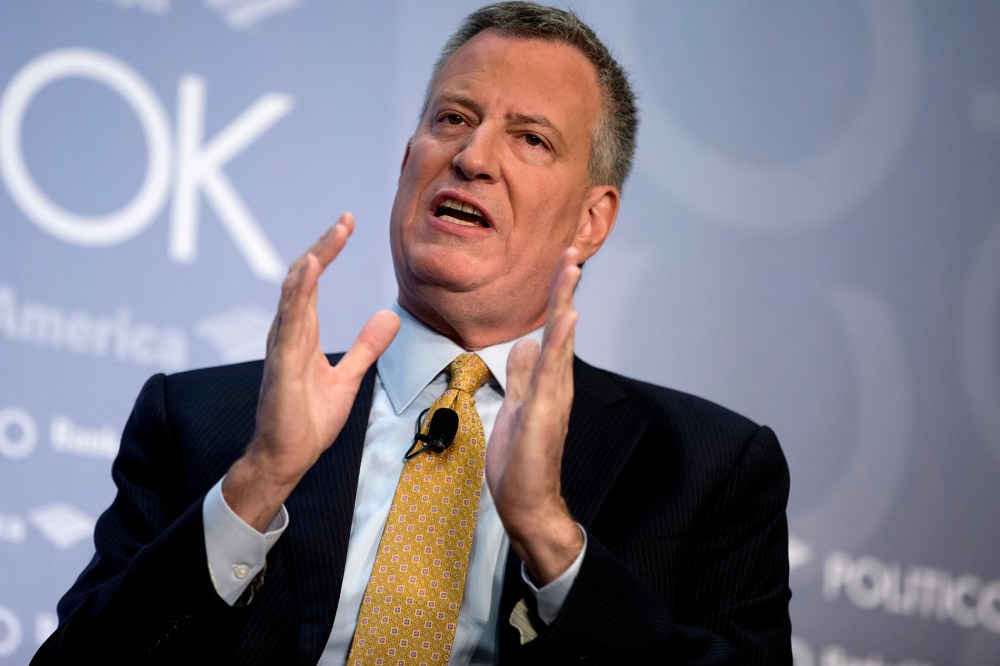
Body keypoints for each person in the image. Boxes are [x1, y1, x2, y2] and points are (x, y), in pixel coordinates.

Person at [32, 2, 791, 664]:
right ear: (407, 162)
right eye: (453, 119)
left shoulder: (704, 467)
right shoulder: (201, 424)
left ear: (592, 220)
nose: (471, 156)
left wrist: (552, 539)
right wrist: (258, 483)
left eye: (530, 138)